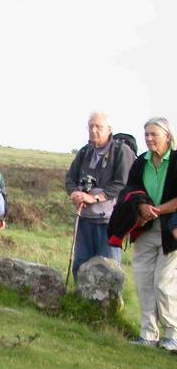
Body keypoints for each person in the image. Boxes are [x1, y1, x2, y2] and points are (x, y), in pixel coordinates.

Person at [123, 117, 177, 351]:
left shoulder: (176, 161)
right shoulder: (140, 162)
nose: (149, 138)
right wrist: (141, 206)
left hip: (170, 232)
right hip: (145, 230)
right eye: (146, 134)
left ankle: (171, 335)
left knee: (163, 284)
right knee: (144, 282)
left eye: (154, 134)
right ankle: (148, 334)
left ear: (168, 136)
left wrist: (155, 211)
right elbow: (130, 189)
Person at [64, 112, 134, 280]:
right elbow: (69, 178)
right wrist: (74, 192)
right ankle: (80, 301)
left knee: (108, 269)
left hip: (109, 222)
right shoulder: (84, 151)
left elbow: (122, 183)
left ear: (109, 129)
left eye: (98, 126)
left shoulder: (121, 151)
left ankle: (110, 305)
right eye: (90, 126)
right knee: (81, 264)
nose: (93, 130)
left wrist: (95, 197)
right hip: (84, 218)